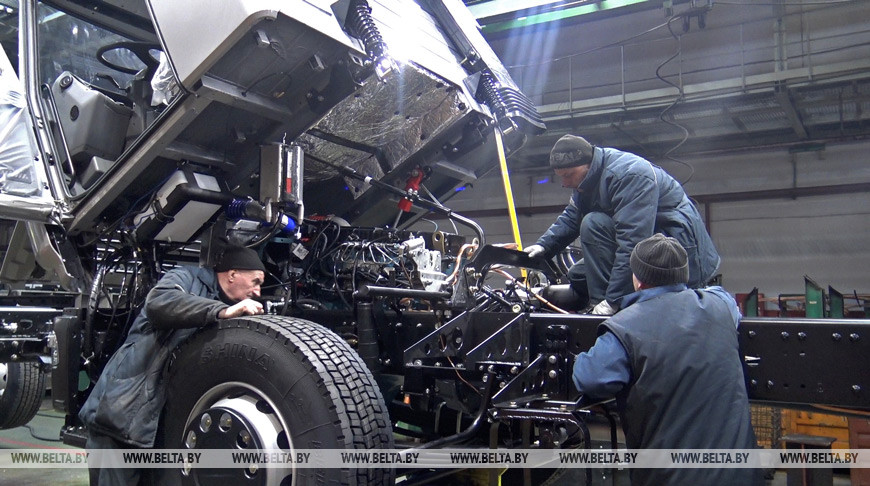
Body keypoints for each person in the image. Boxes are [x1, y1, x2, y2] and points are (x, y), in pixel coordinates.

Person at [573, 234, 762, 486]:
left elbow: (590, 379)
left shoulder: (624, 327)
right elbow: (723, 296)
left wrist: (579, 357)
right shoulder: (720, 305)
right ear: (684, 274)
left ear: (638, 279)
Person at [79, 244, 266, 485]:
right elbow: (159, 302)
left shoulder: (230, 308)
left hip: (155, 426)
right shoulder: (186, 278)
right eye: (255, 282)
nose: (258, 291)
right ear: (232, 275)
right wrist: (222, 311)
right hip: (123, 414)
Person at [524, 134, 720, 315]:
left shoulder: (629, 175)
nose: (565, 183)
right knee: (578, 276)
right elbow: (572, 216)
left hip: (676, 251)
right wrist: (544, 245)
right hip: (646, 240)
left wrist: (613, 301)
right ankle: (598, 304)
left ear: (588, 164)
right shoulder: (586, 180)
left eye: (568, 175)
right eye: (561, 176)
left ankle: (603, 312)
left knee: (593, 223)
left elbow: (633, 241)